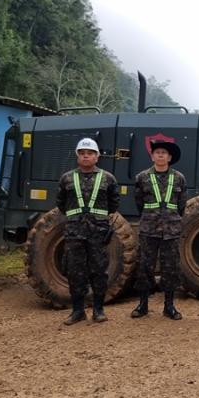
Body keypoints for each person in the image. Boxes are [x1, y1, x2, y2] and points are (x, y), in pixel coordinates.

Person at [56, 137, 120, 325]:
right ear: (78, 156)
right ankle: (77, 311)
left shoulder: (108, 178)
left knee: (99, 270)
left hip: (98, 233)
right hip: (74, 232)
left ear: (97, 157)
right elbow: (60, 204)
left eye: (90, 153)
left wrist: (97, 220)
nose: (86, 156)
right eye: (82, 153)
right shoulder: (67, 178)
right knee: (75, 271)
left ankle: (98, 310)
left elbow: (114, 203)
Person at [130, 140, 187, 320]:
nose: (161, 155)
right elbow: (139, 202)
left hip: (171, 230)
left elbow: (181, 205)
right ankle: (143, 304)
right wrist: (151, 217)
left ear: (169, 157)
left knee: (170, 268)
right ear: (152, 156)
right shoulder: (142, 177)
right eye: (157, 152)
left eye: (164, 153)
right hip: (149, 229)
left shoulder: (179, 178)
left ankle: (169, 306)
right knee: (145, 266)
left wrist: (170, 219)